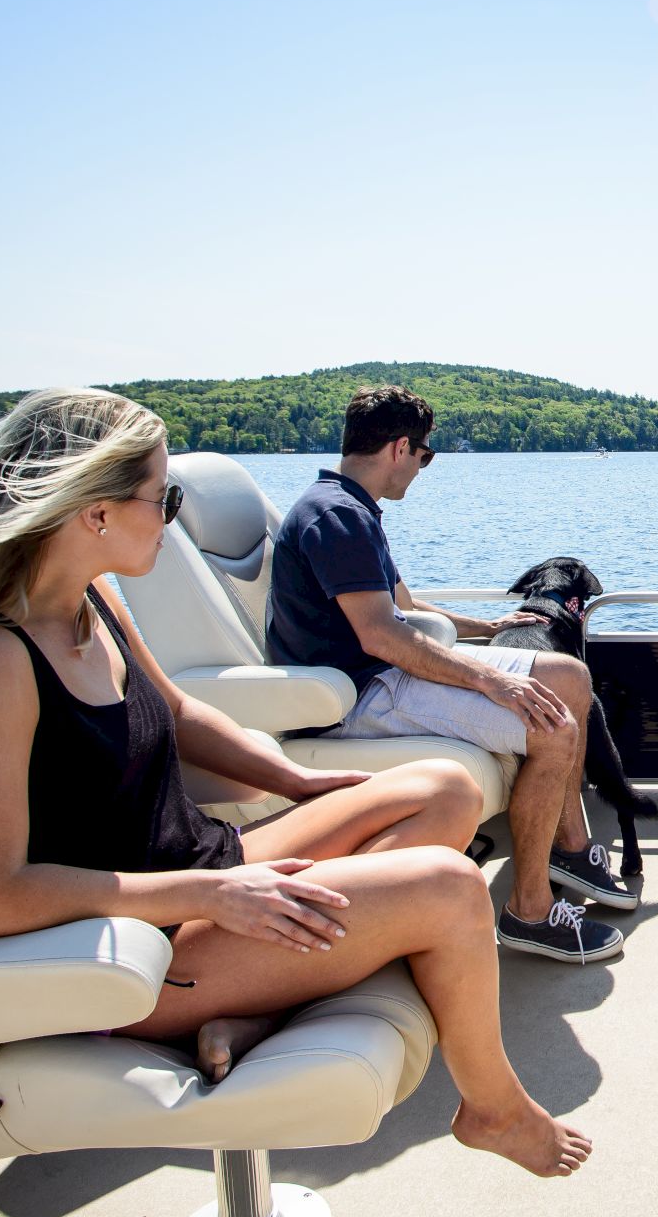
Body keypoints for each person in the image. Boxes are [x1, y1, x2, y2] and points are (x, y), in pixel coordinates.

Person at [0, 387, 590, 1177]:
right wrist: (206, 898)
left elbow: (177, 713)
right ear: (94, 511)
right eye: (163, 496)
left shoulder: (88, 603)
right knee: (450, 886)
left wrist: (295, 781)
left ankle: (256, 1012)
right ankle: (490, 1107)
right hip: (134, 949)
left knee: (443, 789)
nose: (171, 515)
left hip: (201, 866)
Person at [267, 385, 631, 965]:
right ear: (400, 448)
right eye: (425, 455)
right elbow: (382, 636)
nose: (422, 468)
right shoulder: (338, 518)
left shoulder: (351, 508)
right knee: (554, 727)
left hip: (386, 671)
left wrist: (486, 627)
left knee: (569, 679)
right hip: (362, 694)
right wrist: (493, 681)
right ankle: (529, 913)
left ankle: (569, 847)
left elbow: (405, 606)